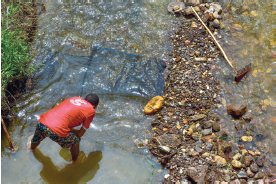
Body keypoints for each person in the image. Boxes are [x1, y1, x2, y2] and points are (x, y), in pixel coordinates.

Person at [30, 93, 99, 162]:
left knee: (37, 137)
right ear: (95, 106)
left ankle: (31, 148)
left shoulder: (74, 98)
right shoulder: (91, 110)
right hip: (56, 130)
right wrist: (75, 131)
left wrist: (71, 130)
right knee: (76, 141)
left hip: (42, 122)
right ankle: (75, 162)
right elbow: (80, 134)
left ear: (84, 99)